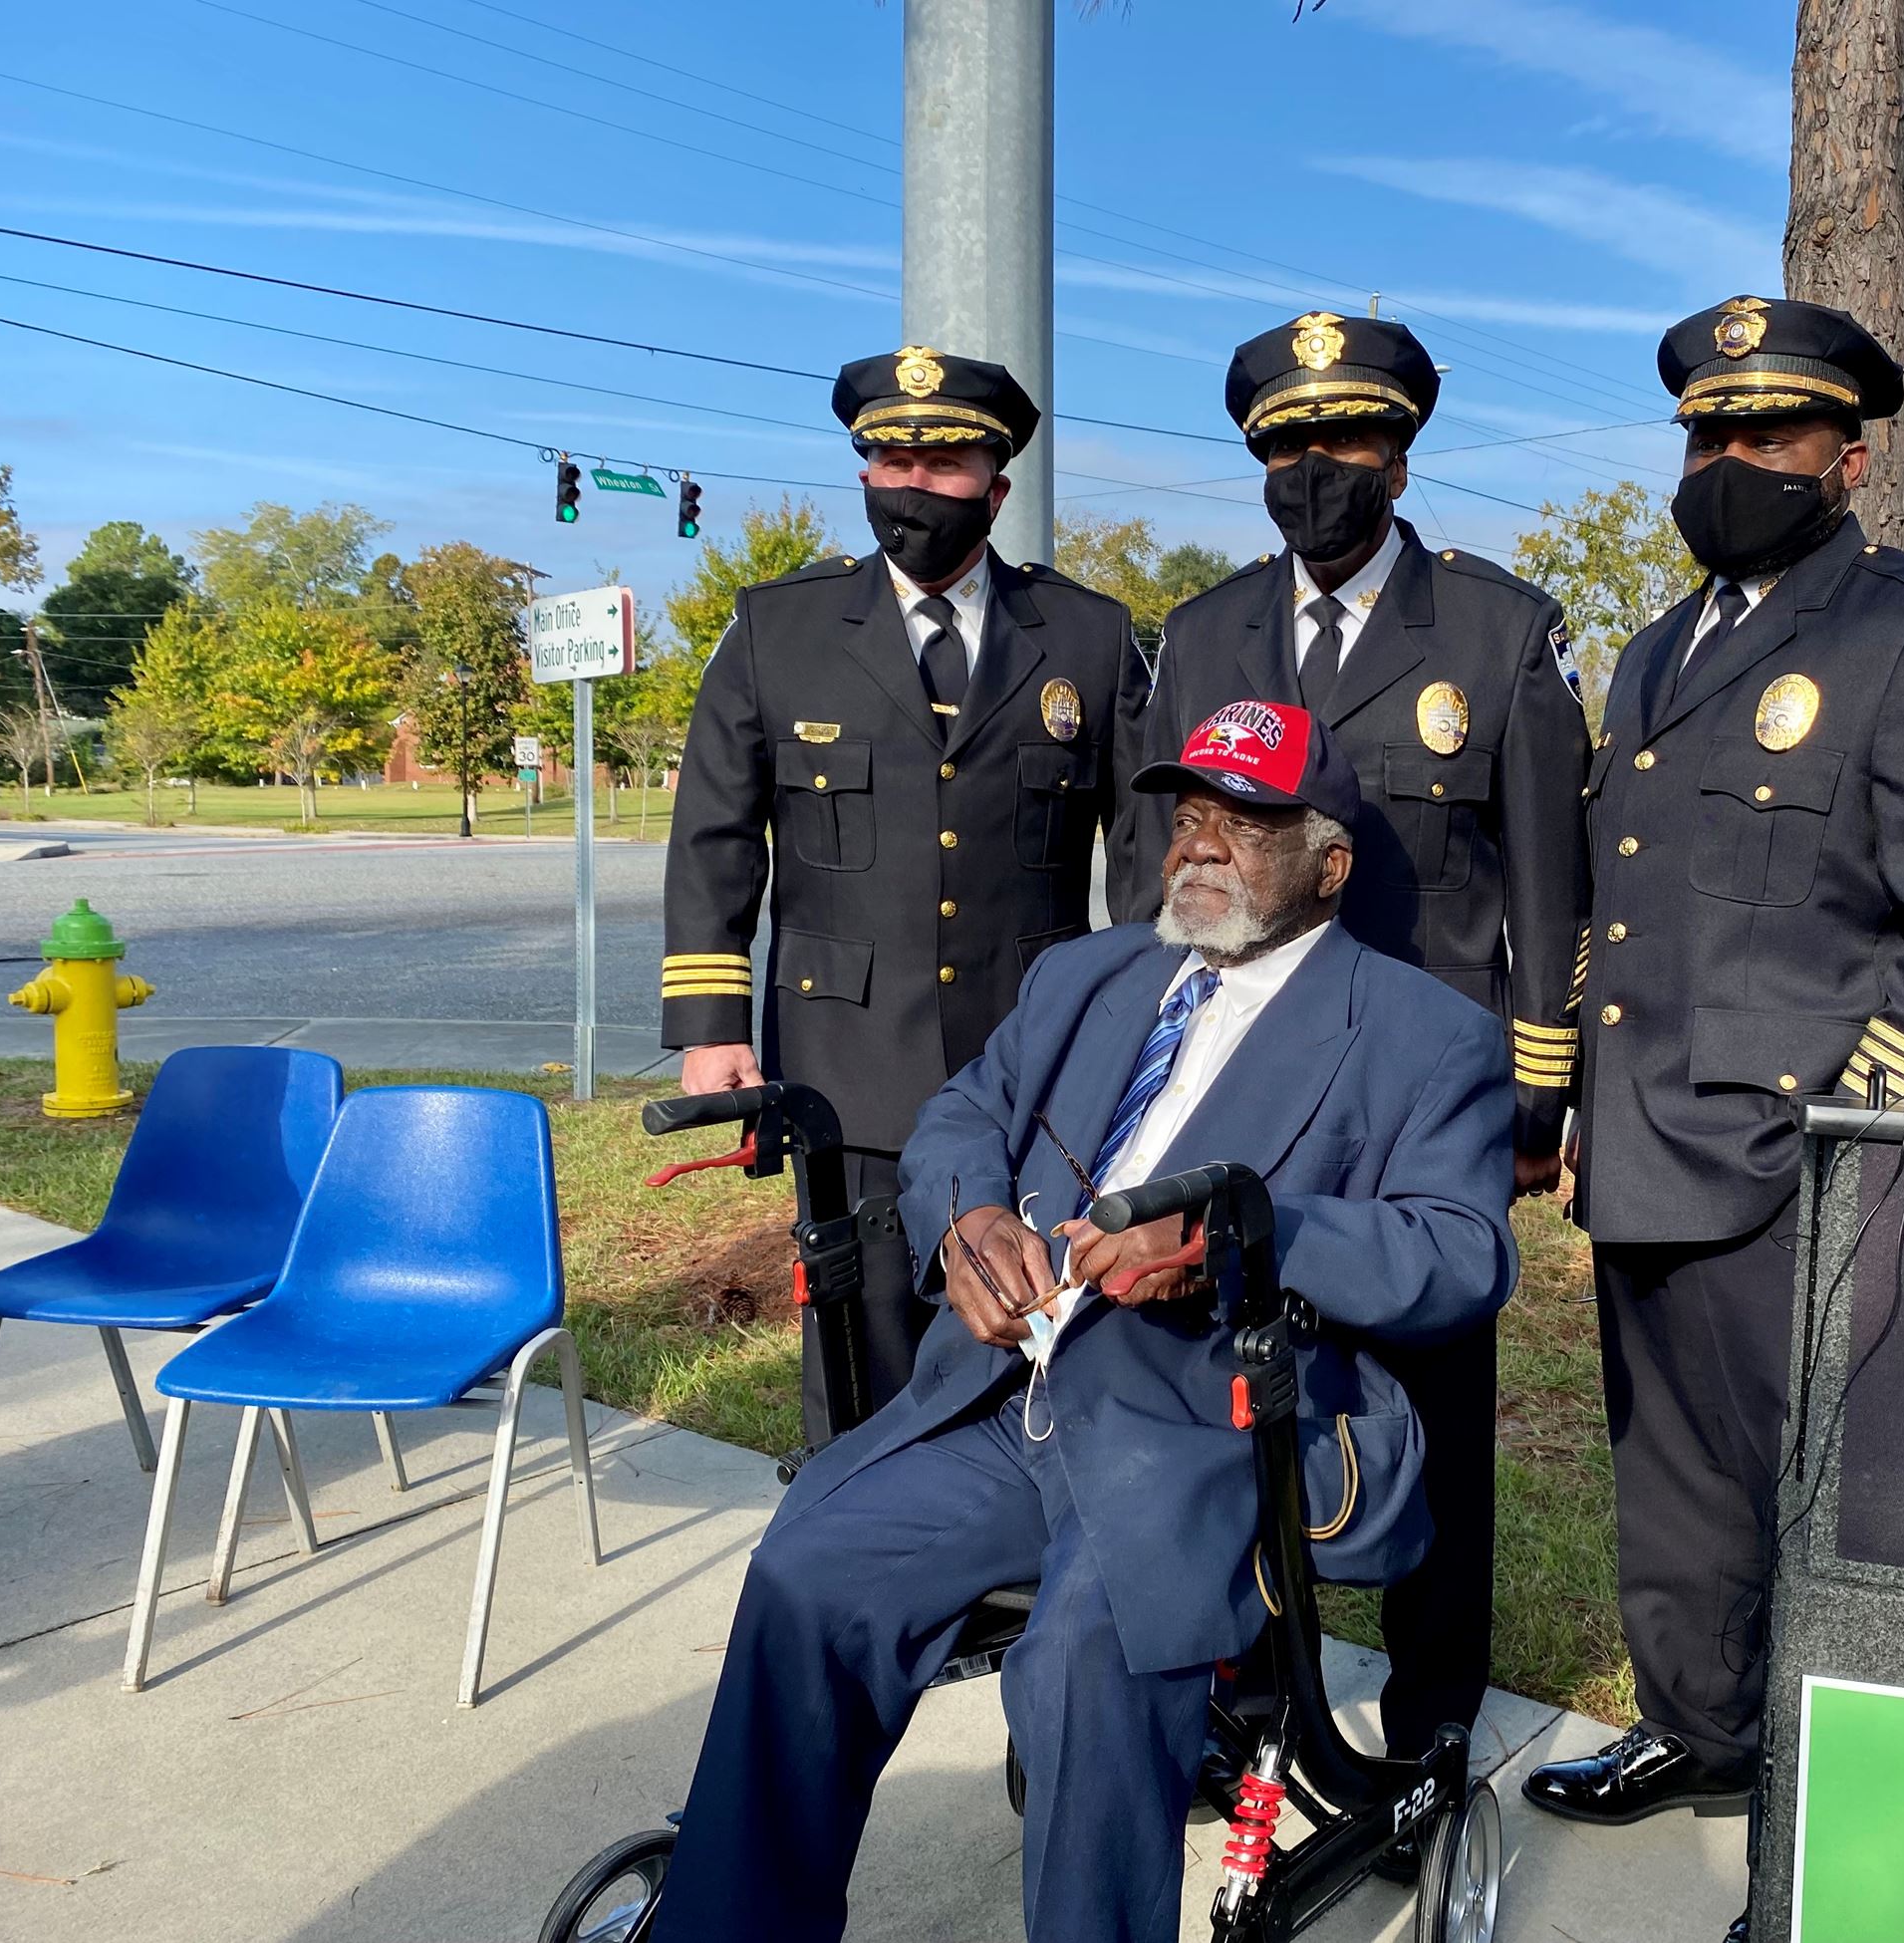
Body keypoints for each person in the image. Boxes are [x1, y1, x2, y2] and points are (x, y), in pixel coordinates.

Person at [648, 699, 1517, 1942]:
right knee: (809, 1572)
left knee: (1082, 1669)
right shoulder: (1087, 972)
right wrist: (967, 1220)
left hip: (1209, 1435)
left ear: (1329, 867)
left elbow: (1461, 1250)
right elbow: (964, 1112)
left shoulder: (1424, 1035)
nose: (1200, 846)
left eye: (1246, 825)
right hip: (1010, 1398)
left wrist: (1235, 1235)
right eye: (1190, 816)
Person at [1521, 299, 1904, 1858]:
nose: (1731, 458)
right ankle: (1703, 1730)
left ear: (1850, 455)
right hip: (1649, 1141)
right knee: (1670, 1471)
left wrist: (1858, 1122)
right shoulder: (1651, 652)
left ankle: (1829, 1818)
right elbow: (1625, 902)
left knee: (1813, 1498)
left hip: (1801, 1158)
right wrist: (1573, 1107)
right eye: (1707, 432)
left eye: (1768, 431)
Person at [1111, 310, 1590, 1773]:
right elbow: (1165, 881)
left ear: (1401, 451)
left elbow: (1549, 880)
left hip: (1422, 1092)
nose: (1319, 468)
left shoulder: (1500, 633)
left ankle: (1434, 1712)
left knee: (1431, 1385)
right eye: (1288, 446)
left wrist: (1540, 1092)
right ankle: (1240, 1691)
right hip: (1244, 1078)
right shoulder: (1200, 637)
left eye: (1349, 439)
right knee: (1233, 1386)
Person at [662, 346, 1144, 1439]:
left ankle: (1007, 1584)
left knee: (1034, 1341)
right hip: (847, 1064)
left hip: (1034, 1062)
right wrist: (708, 1025)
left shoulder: (1087, 636)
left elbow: (1148, 850)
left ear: (996, 486)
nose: (914, 484)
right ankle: (851, 1565)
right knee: (857, 1340)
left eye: (945, 464)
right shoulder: (777, 630)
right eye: (890, 460)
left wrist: (1146, 1032)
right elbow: (714, 836)